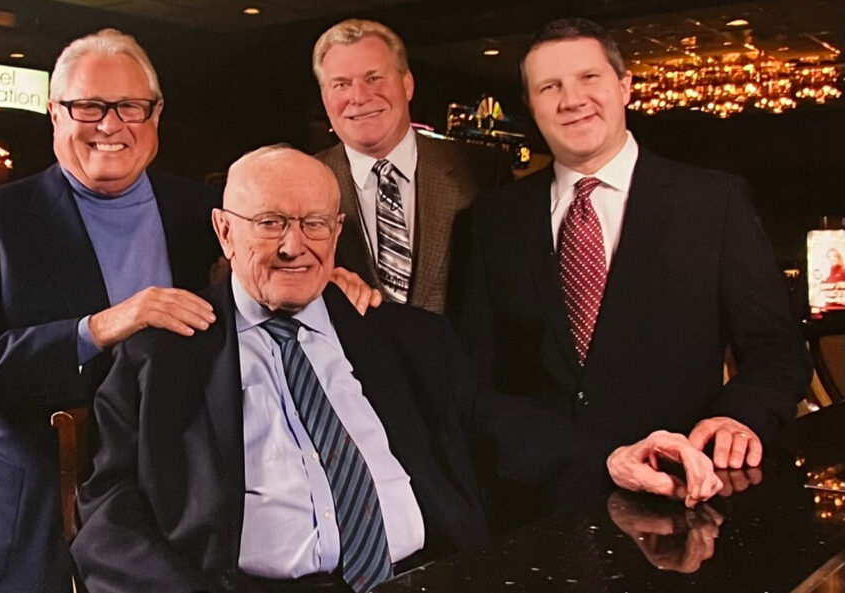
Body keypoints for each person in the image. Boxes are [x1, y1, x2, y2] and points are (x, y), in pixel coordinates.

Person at [71, 145, 723, 593]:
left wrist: (613, 457)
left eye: (314, 223)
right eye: (269, 222)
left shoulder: (401, 334)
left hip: (431, 574)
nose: (295, 245)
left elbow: (492, 420)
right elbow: (106, 516)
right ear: (224, 230)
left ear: (337, 227)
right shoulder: (163, 352)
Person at [0, 29, 223, 592]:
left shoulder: (206, 212)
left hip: (172, 522)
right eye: (88, 106)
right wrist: (99, 328)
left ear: (155, 114)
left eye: (131, 106)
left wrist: (331, 279)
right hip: (28, 532)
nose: (111, 125)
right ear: (55, 114)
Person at [459, 18, 810, 474]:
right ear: (530, 104)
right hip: (539, 495)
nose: (572, 100)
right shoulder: (493, 218)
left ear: (625, 86)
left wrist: (737, 417)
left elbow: (776, 350)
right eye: (550, 87)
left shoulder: (712, 203)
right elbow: (474, 379)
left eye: (589, 78)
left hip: (682, 484)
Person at [313, 19, 488, 315]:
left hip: (455, 360)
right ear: (325, 98)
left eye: (373, 78)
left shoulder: (479, 171)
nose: (358, 97)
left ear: (407, 84)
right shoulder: (300, 181)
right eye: (341, 84)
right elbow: (239, 275)